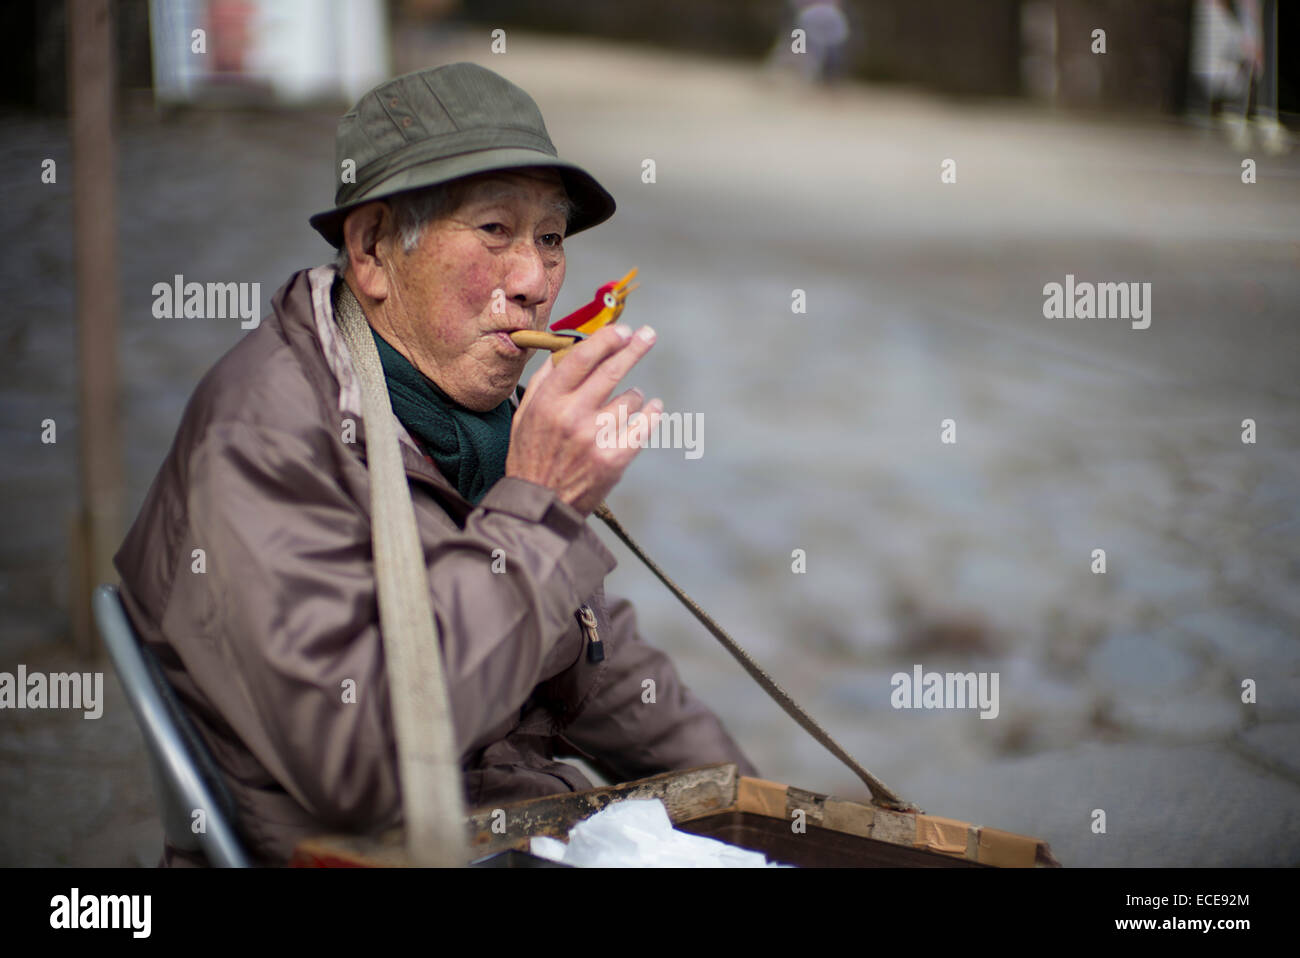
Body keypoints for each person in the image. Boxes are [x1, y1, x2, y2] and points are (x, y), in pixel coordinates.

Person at [114, 62, 758, 867]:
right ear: (374, 250)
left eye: (549, 239)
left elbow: (606, 676)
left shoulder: (480, 424)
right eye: (494, 231)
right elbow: (359, 763)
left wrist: (757, 821)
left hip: (508, 833)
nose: (533, 283)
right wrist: (542, 504)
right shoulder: (265, 434)